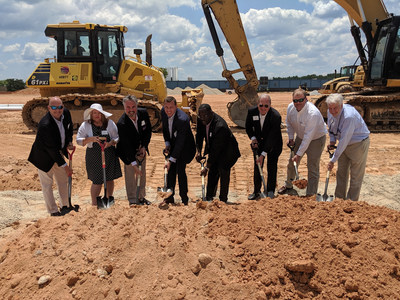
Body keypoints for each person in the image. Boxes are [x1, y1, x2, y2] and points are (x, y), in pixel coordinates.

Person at [28, 96, 74, 216]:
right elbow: (51, 150)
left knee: (63, 180)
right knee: (47, 184)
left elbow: (69, 129)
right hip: (43, 156)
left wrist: (69, 141)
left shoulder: (66, 113)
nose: (57, 110)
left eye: (60, 107)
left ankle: (65, 205)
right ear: (49, 108)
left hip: (57, 152)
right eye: (54, 107)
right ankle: (53, 210)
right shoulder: (45, 125)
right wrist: (66, 167)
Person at [278, 88, 327, 196]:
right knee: (292, 163)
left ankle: (311, 193)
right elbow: (289, 123)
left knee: (312, 166)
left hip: (316, 139)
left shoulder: (312, 113)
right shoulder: (291, 107)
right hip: (300, 137)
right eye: (295, 101)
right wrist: (291, 138)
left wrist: (299, 154)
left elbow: (308, 137)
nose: (298, 103)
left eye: (300, 100)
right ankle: (289, 185)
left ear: (306, 99)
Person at [326, 93, 370, 201]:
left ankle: (351, 202)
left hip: (358, 144)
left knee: (355, 175)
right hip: (343, 144)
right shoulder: (330, 111)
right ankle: (339, 199)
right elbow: (331, 127)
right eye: (330, 108)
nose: (332, 111)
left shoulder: (349, 116)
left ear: (341, 105)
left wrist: (332, 160)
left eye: (335, 108)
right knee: (341, 172)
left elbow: (344, 140)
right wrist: (332, 141)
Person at [76, 103, 122, 206]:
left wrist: (110, 143)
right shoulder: (86, 125)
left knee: (109, 178)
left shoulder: (110, 123)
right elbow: (78, 141)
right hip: (94, 156)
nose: (97, 115)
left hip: (109, 154)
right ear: (91, 114)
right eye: (94, 113)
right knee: (97, 180)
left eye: (99, 113)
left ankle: (108, 198)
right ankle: (94, 203)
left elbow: (116, 137)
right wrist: (90, 139)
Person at [195, 104, 240, 203]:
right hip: (214, 147)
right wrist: (198, 151)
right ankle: (209, 197)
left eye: (205, 116)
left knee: (223, 171)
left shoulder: (220, 126)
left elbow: (216, 150)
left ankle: (223, 200)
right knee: (212, 173)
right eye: (200, 116)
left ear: (211, 113)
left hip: (227, 151)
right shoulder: (201, 119)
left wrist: (206, 167)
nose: (203, 119)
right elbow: (199, 135)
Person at [116, 95, 152, 205]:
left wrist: (144, 146)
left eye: (133, 107)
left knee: (142, 174)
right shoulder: (122, 123)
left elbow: (148, 131)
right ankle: (132, 200)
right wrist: (133, 163)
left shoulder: (143, 113)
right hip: (127, 152)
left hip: (140, 148)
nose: (131, 110)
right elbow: (126, 145)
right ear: (124, 108)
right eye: (128, 107)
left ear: (137, 106)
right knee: (131, 174)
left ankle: (141, 197)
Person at [246, 94, 282, 199]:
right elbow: (248, 127)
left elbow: (272, 137)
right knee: (258, 166)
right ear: (257, 104)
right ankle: (256, 191)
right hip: (259, 142)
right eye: (261, 105)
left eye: (266, 106)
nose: (263, 108)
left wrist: (263, 155)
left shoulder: (275, 116)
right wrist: (253, 139)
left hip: (274, 143)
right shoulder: (252, 112)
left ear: (270, 105)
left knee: (271, 166)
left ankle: (270, 190)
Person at [161, 96, 196, 205]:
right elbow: (165, 129)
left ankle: (184, 198)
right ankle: (170, 197)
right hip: (174, 144)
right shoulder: (163, 112)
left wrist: (171, 160)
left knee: (180, 170)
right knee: (170, 172)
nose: (168, 110)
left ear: (176, 106)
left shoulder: (183, 119)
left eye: (171, 107)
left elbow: (181, 143)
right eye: (166, 107)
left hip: (185, 147)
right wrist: (167, 143)